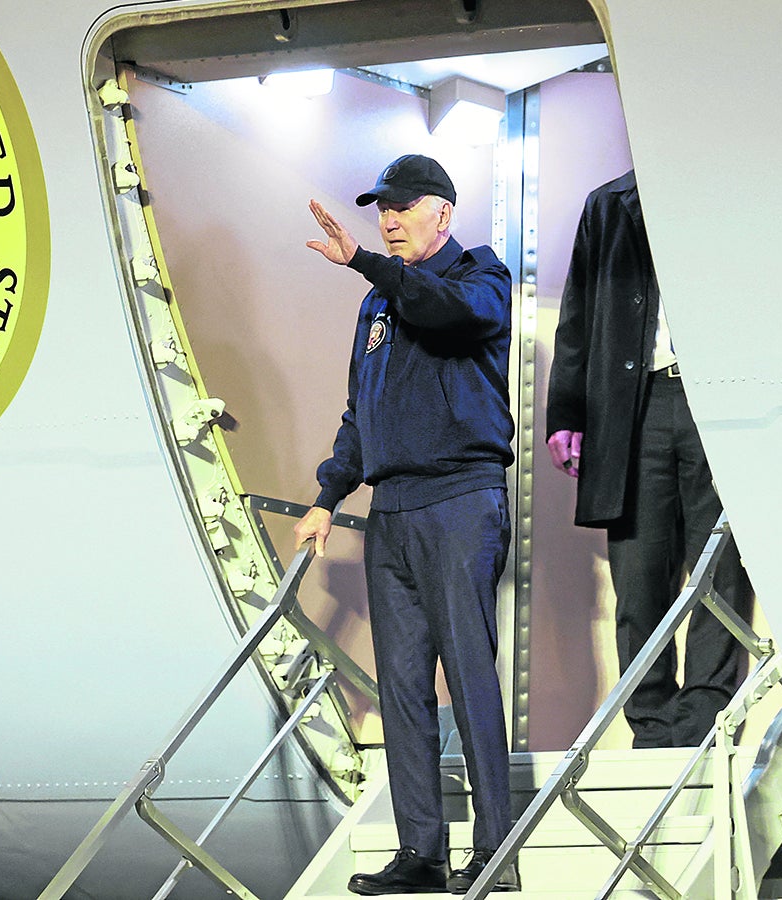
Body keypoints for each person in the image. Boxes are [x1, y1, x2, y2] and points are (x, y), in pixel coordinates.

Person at [293, 154, 519, 895]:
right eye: (380, 208)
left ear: (442, 214)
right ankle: (421, 851)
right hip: (391, 509)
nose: (387, 219)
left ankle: (497, 849)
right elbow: (362, 409)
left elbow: (445, 313)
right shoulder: (378, 305)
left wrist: (360, 261)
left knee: (468, 675)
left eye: (402, 206)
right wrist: (329, 495)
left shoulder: (481, 277)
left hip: (459, 500)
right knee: (401, 686)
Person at [546, 169, 752, 749]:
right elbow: (578, 317)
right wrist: (566, 412)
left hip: (720, 397)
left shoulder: (731, 189)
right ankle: (654, 726)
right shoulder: (610, 203)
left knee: (721, 565)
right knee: (638, 576)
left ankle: (706, 720)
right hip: (637, 404)